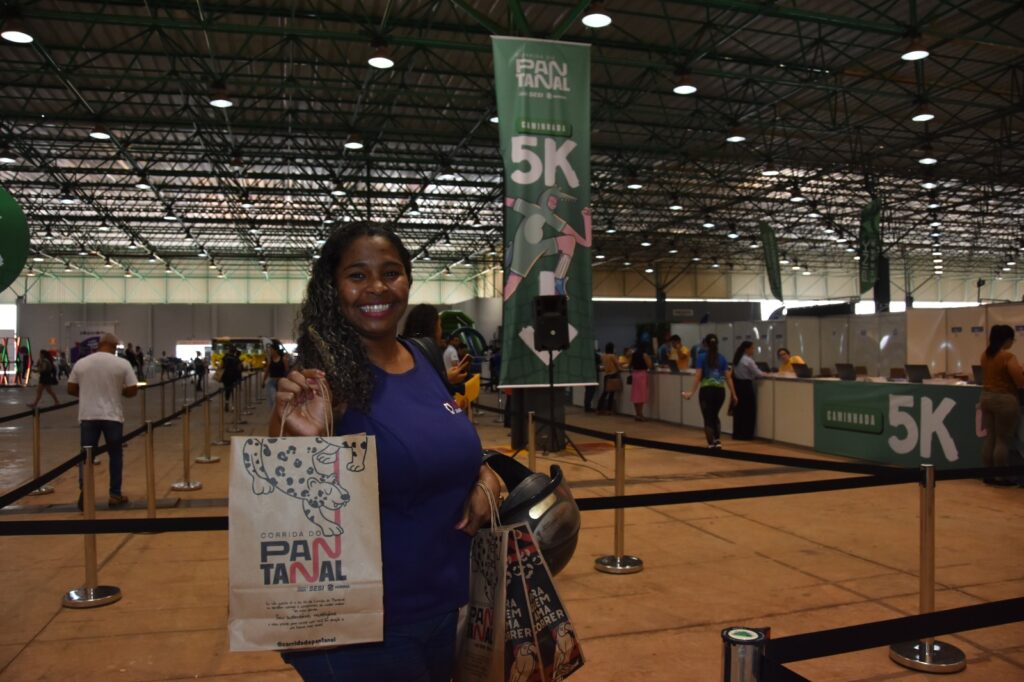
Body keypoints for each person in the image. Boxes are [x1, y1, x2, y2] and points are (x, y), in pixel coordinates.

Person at [269, 222, 500, 680]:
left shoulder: (425, 358)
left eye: (391, 273)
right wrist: (301, 438)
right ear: (333, 288)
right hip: (361, 627)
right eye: (357, 275)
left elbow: (441, 447)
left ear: (408, 282)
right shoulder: (319, 382)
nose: (377, 287)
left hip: (451, 605)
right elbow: (279, 505)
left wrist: (485, 476)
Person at [67, 332, 138, 509]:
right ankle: (114, 495)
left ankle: (86, 492)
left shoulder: (82, 363)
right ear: (114, 347)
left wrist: (87, 394)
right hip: (112, 416)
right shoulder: (122, 363)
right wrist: (118, 391)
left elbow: (71, 388)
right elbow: (132, 390)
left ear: (99, 345)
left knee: (86, 456)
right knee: (115, 456)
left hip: (88, 415)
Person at [978, 324, 1024, 486]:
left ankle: (988, 474)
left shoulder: (985, 355)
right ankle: (1001, 477)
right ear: (1007, 340)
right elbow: (1020, 381)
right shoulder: (1008, 357)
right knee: (1003, 440)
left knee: (990, 437)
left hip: (986, 398)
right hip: (1004, 399)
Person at [682, 333, 737, 449]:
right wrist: (734, 394)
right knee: (715, 415)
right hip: (720, 391)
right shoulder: (722, 358)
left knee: (707, 417)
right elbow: (728, 377)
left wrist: (691, 392)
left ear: (705, 344)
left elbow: (698, 376)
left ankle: (711, 444)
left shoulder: (701, 357)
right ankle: (718, 441)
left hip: (706, 391)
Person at [402, 303, 468, 390]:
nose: (441, 331)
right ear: (432, 329)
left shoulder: (404, 350)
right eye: (440, 326)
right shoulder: (428, 355)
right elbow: (423, 390)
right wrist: (447, 380)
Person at [731, 341, 766, 440]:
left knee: (739, 411)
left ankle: (737, 433)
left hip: (737, 386)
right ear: (747, 349)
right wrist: (765, 374)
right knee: (748, 411)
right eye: (752, 348)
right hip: (746, 387)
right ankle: (746, 434)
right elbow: (758, 373)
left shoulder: (737, 359)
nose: (753, 350)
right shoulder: (748, 360)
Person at [629, 340, 653, 421]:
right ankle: (641, 414)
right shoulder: (644, 355)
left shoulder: (634, 354)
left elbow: (630, 364)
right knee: (641, 395)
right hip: (642, 375)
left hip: (635, 374)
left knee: (635, 395)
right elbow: (650, 365)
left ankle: (637, 414)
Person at [597, 342, 622, 415]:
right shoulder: (612, 356)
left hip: (607, 375)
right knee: (611, 393)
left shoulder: (603, 356)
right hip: (613, 374)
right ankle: (609, 410)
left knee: (605, 392)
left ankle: (599, 409)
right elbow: (618, 365)